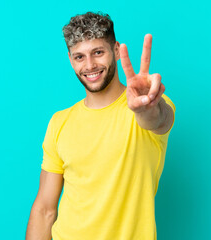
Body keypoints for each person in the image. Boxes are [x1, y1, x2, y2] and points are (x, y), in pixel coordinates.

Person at [26, 11, 176, 240]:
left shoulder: (145, 107)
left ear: (116, 50)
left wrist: (148, 107)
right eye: (79, 57)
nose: (90, 65)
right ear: (70, 59)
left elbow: (159, 120)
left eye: (97, 52)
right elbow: (44, 209)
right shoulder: (60, 122)